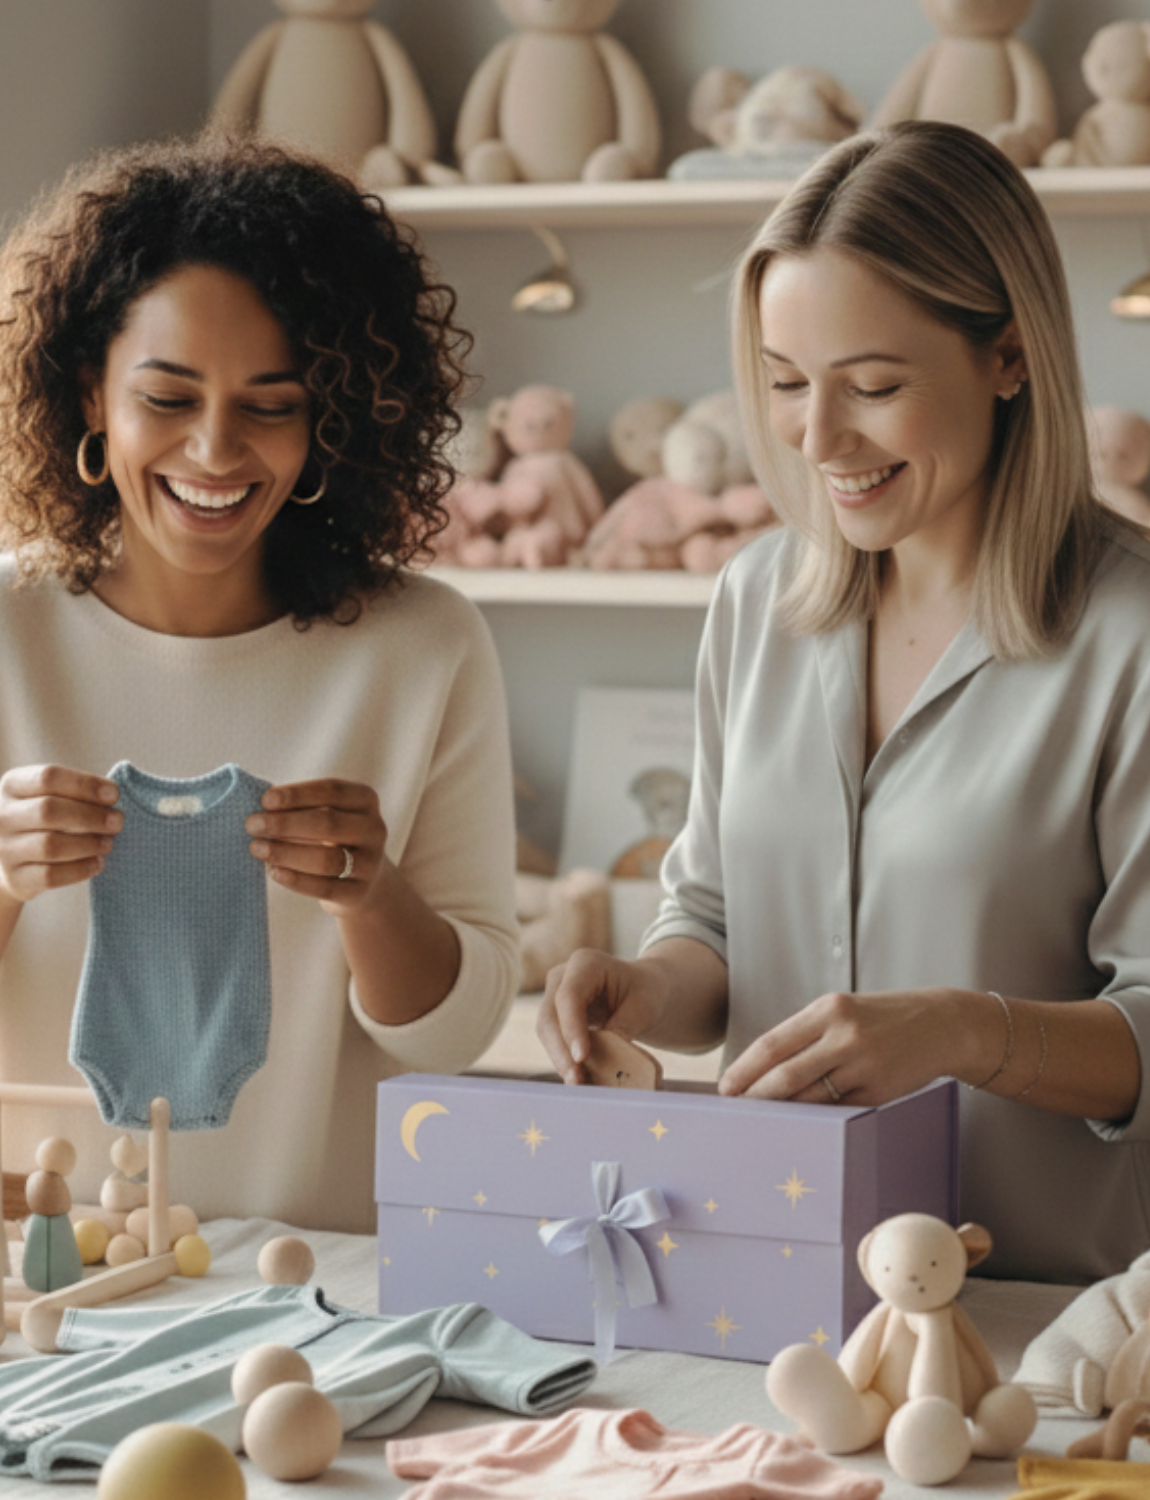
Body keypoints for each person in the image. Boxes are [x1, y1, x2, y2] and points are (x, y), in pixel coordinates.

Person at [539, 120, 1150, 1284]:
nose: (818, 439)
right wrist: (642, 986)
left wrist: (967, 1032)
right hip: (764, 1291)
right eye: (783, 384)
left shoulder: (1131, 640)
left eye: (872, 386)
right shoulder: (753, 599)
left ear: (1008, 356)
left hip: (1043, 1328)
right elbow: (712, 918)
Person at [0, 132, 519, 1232]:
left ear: (330, 417)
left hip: (320, 1286)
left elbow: (454, 1036)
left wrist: (372, 895)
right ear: (91, 395)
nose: (216, 451)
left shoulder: (423, 647)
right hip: (42, 1275)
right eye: (169, 398)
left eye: (270, 405)